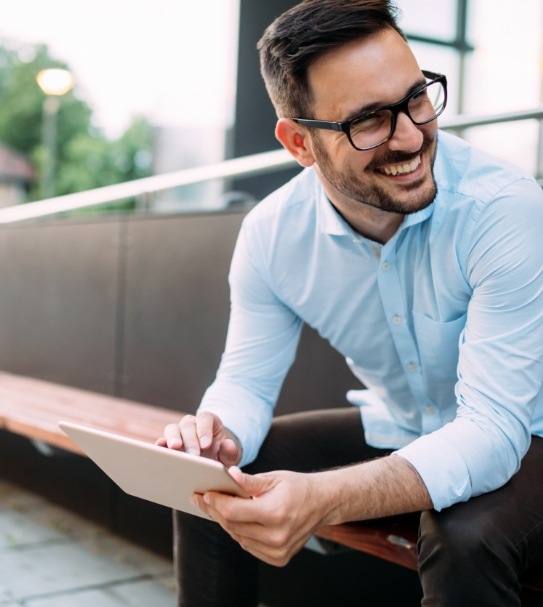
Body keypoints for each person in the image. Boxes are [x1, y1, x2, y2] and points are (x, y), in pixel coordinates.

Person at [157, 1, 543, 605]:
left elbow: (493, 434)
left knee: (464, 537)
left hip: (527, 433)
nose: (412, 136)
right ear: (300, 144)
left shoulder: (504, 209)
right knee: (211, 488)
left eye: (417, 97)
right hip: (409, 424)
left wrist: (323, 497)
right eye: (369, 120)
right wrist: (218, 435)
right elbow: (246, 384)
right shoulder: (271, 234)